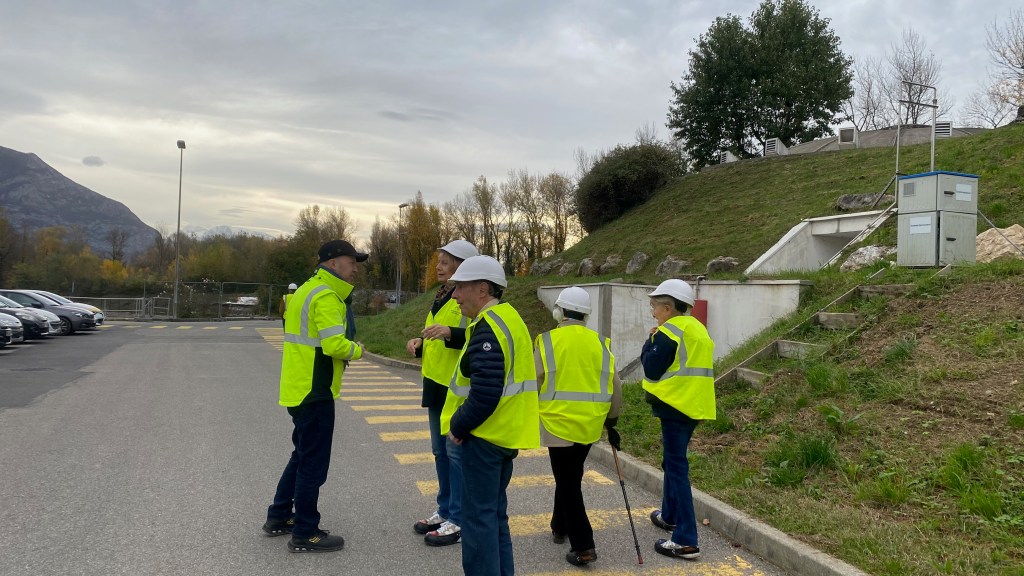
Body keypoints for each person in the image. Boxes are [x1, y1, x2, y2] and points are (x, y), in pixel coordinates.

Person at [263, 239, 368, 553]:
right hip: (315, 390)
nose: (355, 269)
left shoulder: (306, 290)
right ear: (333, 263)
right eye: (351, 262)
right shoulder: (326, 295)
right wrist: (358, 350)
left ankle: (279, 515)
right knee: (313, 463)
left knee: (301, 455)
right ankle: (305, 532)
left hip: (299, 387)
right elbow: (334, 345)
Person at [440, 255, 539, 576]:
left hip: (483, 438)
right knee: (494, 517)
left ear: (482, 289)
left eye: (460, 288)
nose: (455, 295)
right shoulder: (508, 318)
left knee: (477, 521)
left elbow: (485, 393)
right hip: (503, 435)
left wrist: (458, 426)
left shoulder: (488, 328)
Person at [534, 286, 622, 566]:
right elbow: (615, 385)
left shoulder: (547, 341)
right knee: (570, 476)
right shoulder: (601, 343)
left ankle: (584, 546)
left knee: (568, 481)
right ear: (586, 315)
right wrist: (612, 421)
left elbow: (534, 381)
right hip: (590, 425)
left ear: (558, 312)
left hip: (557, 423)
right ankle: (559, 526)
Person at [405, 239, 479, 546]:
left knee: (455, 454)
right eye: (439, 261)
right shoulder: (441, 297)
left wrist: (450, 333)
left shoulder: (469, 299)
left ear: (462, 266)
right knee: (440, 453)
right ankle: (446, 509)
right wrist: (421, 343)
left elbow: (477, 335)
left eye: (446, 262)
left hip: (456, 389)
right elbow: (439, 335)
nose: (438, 267)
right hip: (436, 385)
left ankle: (458, 519)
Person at [640, 279, 715, 560]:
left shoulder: (668, 332)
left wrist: (650, 340)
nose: (653, 312)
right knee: (671, 463)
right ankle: (669, 515)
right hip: (693, 406)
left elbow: (651, 368)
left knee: (677, 469)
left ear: (668, 308)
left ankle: (685, 540)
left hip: (674, 406)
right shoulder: (697, 328)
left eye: (655, 307)